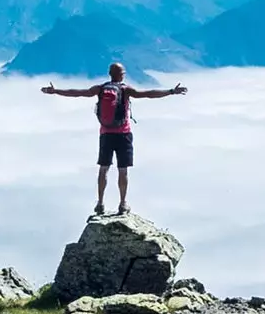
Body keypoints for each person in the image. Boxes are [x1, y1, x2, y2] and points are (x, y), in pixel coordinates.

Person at [41, 62, 187, 216]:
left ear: (110, 74)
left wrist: (56, 91)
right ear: (121, 74)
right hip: (124, 134)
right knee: (122, 171)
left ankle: (100, 203)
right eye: (123, 72)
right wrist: (171, 91)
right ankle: (123, 204)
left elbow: (78, 92)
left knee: (103, 169)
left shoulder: (100, 89)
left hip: (106, 134)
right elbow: (148, 94)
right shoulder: (126, 89)